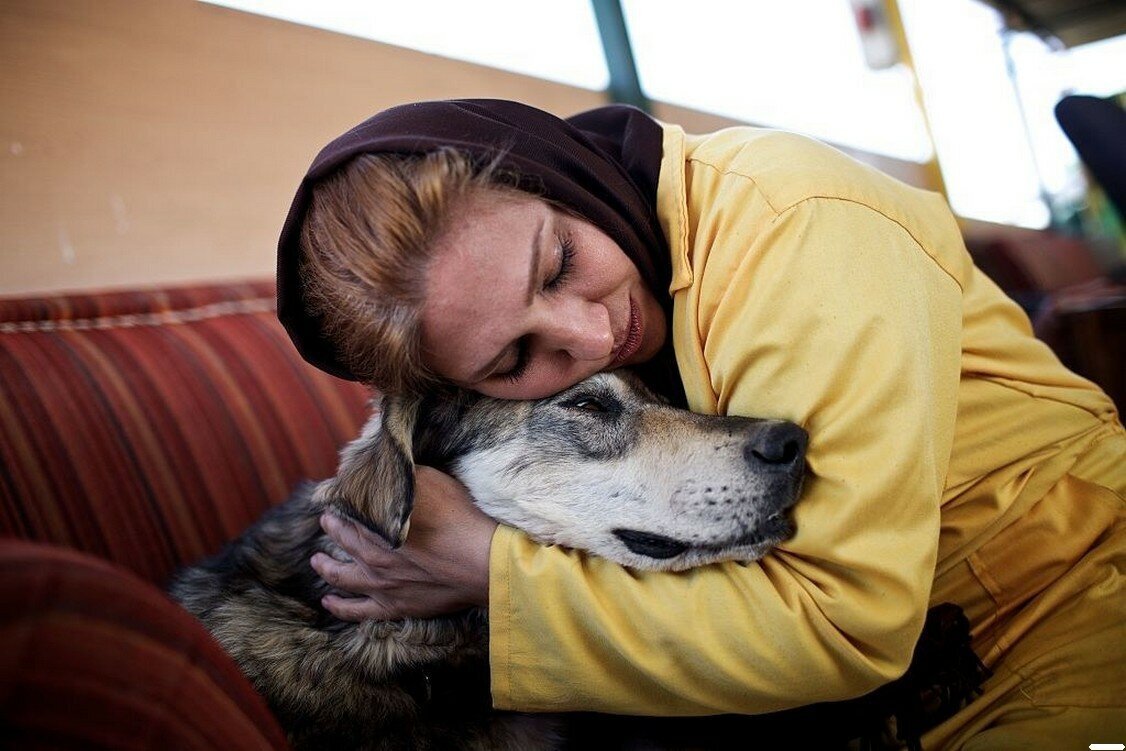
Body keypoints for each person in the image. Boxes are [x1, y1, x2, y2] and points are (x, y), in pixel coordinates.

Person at [275, 99, 1125, 748]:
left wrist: (498, 573)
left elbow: (843, 619)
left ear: (556, 173)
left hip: (1070, 593)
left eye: (562, 261)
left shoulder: (790, 223)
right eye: (512, 362)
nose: (594, 335)